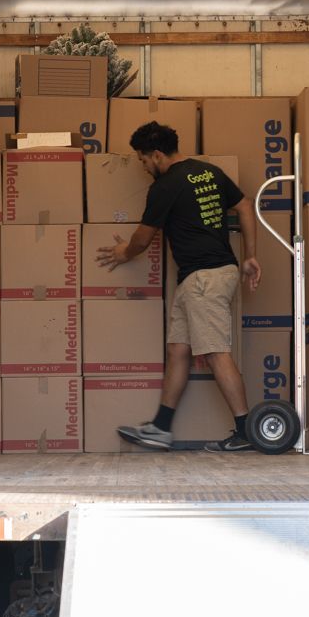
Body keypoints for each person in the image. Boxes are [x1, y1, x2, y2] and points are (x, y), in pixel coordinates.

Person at [97, 121, 262, 452]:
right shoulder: (209, 172)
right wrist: (250, 255)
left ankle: (247, 430)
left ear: (156, 155)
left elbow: (143, 239)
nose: (144, 168)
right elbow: (244, 204)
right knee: (179, 350)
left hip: (205, 277)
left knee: (215, 352)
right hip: (197, 277)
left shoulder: (166, 186)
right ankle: (160, 428)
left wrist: (124, 252)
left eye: (143, 161)